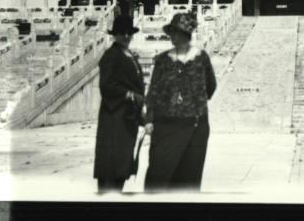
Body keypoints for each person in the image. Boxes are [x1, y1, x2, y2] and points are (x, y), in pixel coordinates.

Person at [144, 12, 217, 192]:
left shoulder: (201, 58)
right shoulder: (162, 60)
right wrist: (149, 120)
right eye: (172, 33)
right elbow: (153, 92)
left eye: (176, 33)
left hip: (195, 127)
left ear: (186, 35)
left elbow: (211, 86)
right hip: (166, 126)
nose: (172, 37)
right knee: (159, 177)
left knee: (189, 179)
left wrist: (193, 103)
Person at [93, 15, 145, 193]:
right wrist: (129, 95)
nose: (126, 37)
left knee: (122, 162)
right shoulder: (111, 55)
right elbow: (106, 86)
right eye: (122, 33)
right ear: (115, 35)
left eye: (129, 33)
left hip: (128, 116)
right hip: (114, 115)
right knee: (111, 161)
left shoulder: (129, 54)